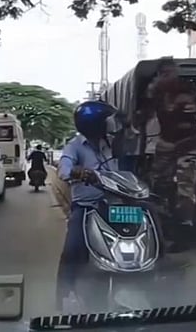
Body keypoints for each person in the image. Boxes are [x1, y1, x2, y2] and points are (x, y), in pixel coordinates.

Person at [138, 58, 196, 253]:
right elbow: (142, 118)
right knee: (158, 186)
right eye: (165, 74)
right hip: (166, 143)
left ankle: (183, 233)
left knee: (185, 189)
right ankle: (163, 227)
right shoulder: (155, 91)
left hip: (189, 143)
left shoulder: (189, 90)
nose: (169, 77)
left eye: (171, 73)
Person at [55, 100, 123, 311]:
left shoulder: (111, 144)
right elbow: (63, 169)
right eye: (106, 121)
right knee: (72, 248)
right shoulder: (74, 146)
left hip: (114, 206)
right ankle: (64, 294)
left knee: (150, 224)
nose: (110, 124)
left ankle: (159, 274)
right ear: (95, 123)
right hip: (86, 208)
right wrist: (76, 171)